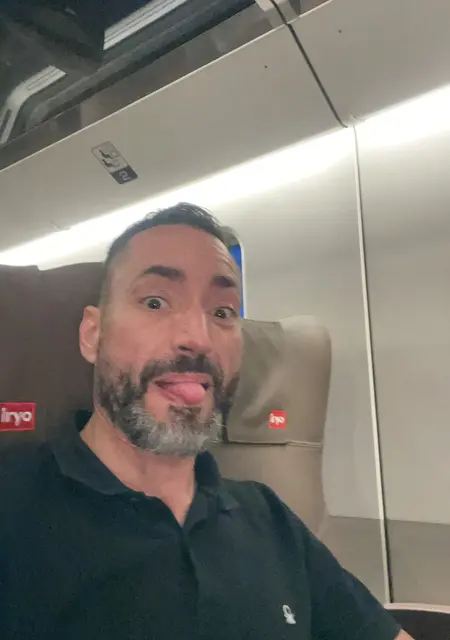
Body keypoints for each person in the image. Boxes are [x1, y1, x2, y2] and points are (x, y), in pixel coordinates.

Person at [0, 202, 412, 640]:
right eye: (156, 302)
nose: (198, 339)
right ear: (92, 334)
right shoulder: (13, 503)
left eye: (222, 312)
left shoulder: (268, 516)